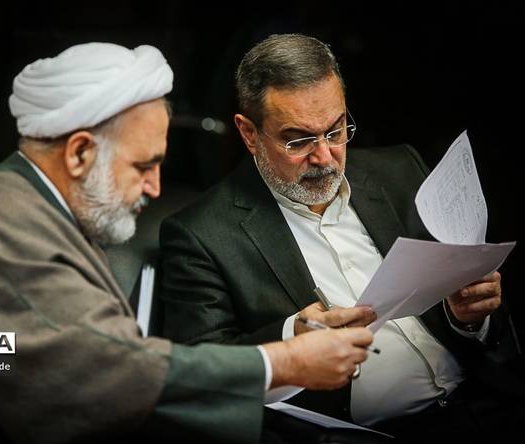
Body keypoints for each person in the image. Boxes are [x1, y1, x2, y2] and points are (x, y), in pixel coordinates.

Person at [0, 42, 376, 444]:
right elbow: (100, 367)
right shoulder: (1, 227)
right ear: (79, 154)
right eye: (143, 165)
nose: (155, 188)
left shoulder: (24, 206)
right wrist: (285, 362)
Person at [159, 33, 525, 443]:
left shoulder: (399, 170)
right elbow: (199, 374)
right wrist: (291, 341)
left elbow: (480, 322)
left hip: (486, 404)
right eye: (298, 140)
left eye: (335, 131)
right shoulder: (200, 235)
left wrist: (467, 318)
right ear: (249, 134)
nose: (324, 157)